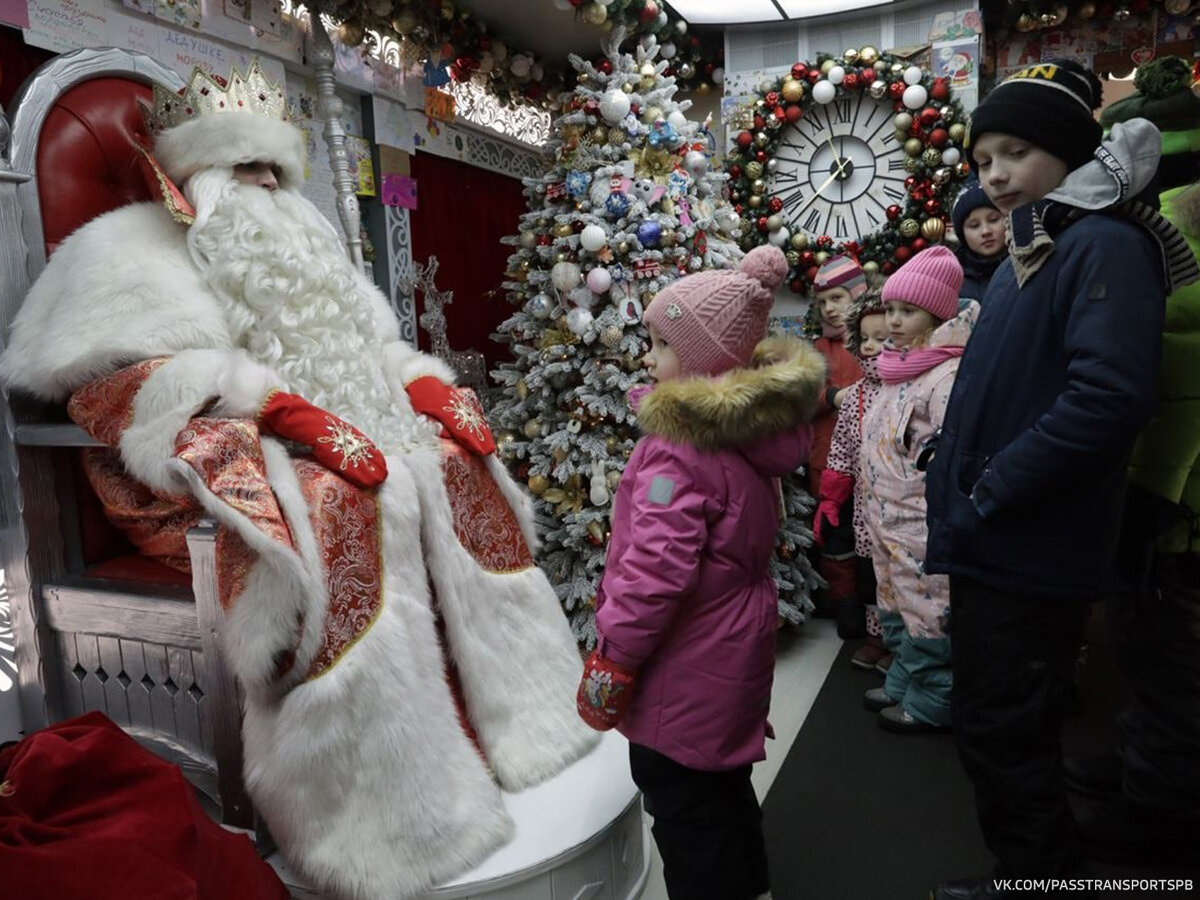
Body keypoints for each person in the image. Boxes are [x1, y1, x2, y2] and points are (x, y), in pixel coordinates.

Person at [0, 62, 598, 900]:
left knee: (456, 464)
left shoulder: (304, 247)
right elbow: (108, 390)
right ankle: (388, 813)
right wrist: (277, 411)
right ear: (193, 180)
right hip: (183, 482)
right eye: (245, 171)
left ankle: (519, 723)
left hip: (331, 445)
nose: (266, 188)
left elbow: (361, 352)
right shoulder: (126, 251)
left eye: (274, 171)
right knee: (343, 502)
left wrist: (421, 381)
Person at [923, 59, 1199, 899]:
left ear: (1070, 150)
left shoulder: (1103, 242)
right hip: (997, 532)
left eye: (1014, 152)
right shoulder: (1037, 245)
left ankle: (1041, 879)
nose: (994, 174)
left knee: (1005, 721)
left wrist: (995, 483)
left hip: (1028, 538)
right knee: (1002, 715)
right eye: (980, 161)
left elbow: (1108, 397)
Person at [575, 246, 824, 900]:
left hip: (685, 660)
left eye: (661, 344)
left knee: (684, 806)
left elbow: (654, 571)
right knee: (723, 789)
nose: (648, 358)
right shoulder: (747, 434)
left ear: (706, 359)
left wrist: (615, 657)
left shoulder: (678, 447)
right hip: (733, 644)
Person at [1067, 55, 1200, 864]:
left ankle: (1158, 820)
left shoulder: (1169, 222)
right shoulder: (1147, 225)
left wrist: (1153, 492)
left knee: (1173, 655)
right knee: (1149, 648)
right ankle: (1141, 770)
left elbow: (1181, 367)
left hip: (1176, 497)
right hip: (1156, 480)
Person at [858, 246, 976, 734]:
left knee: (926, 605)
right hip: (884, 515)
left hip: (917, 522)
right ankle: (906, 674)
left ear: (937, 313)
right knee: (895, 599)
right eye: (891, 310)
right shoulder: (895, 369)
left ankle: (934, 697)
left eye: (909, 311)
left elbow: (949, 452)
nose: (895, 321)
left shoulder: (945, 374)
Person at [816, 290, 890, 670]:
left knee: (907, 581)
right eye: (868, 339)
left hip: (906, 512)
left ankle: (908, 648)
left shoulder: (908, 388)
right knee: (871, 578)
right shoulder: (858, 395)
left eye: (884, 338)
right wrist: (831, 496)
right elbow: (842, 449)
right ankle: (879, 637)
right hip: (864, 509)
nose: (875, 347)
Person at [807, 254, 867, 629]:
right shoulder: (816, 350)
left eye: (838, 298)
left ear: (857, 296)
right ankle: (844, 604)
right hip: (826, 464)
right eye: (823, 301)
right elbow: (801, 395)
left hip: (870, 468)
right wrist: (832, 397)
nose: (830, 308)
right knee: (835, 537)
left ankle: (872, 607)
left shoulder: (873, 343)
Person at [951, 176, 1008, 302]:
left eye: (993, 220)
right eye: (974, 226)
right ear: (962, 234)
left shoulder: (1028, 266)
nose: (986, 231)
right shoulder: (953, 281)